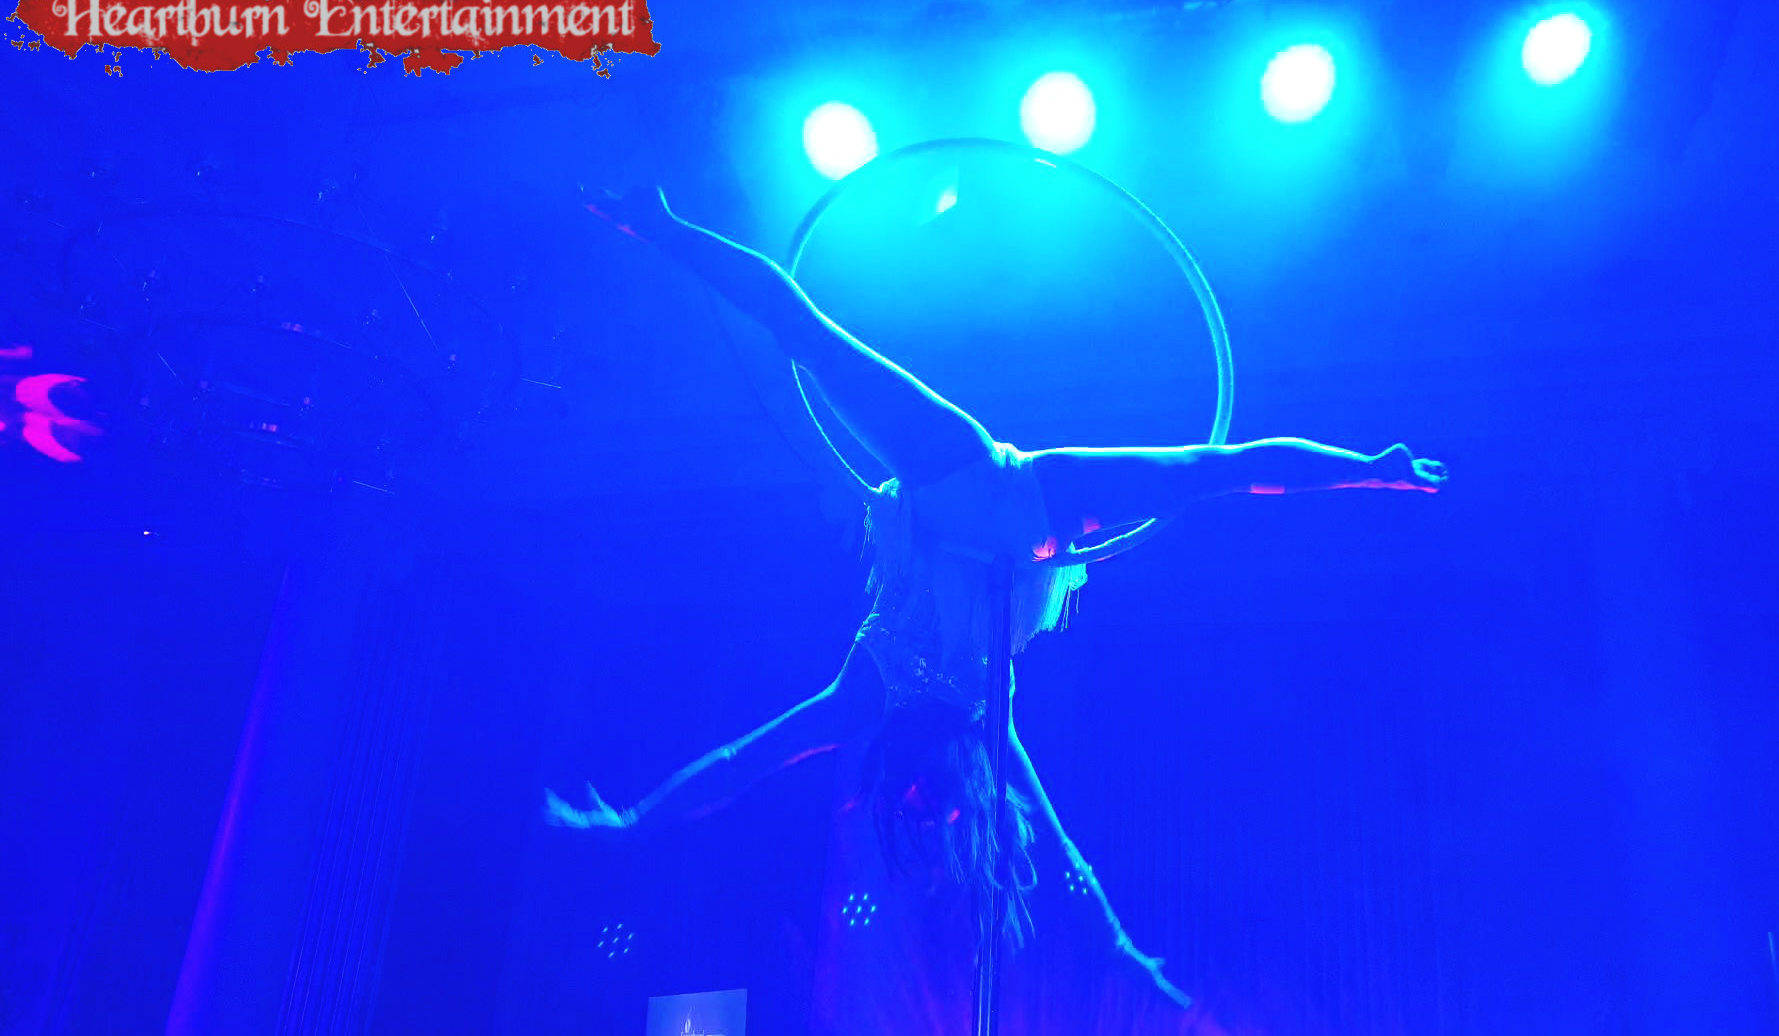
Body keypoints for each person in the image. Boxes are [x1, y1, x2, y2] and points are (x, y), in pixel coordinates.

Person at [547, 187, 1446, 1023]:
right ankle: (660, 224)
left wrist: (632, 823)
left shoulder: (882, 702)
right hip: (1015, 507)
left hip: (969, 483)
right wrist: (1135, 968)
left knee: (809, 334)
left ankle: (661, 224)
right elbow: (1066, 859)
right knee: (1200, 473)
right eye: (942, 804)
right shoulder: (980, 717)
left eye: (923, 800)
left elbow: (743, 761)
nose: (940, 796)